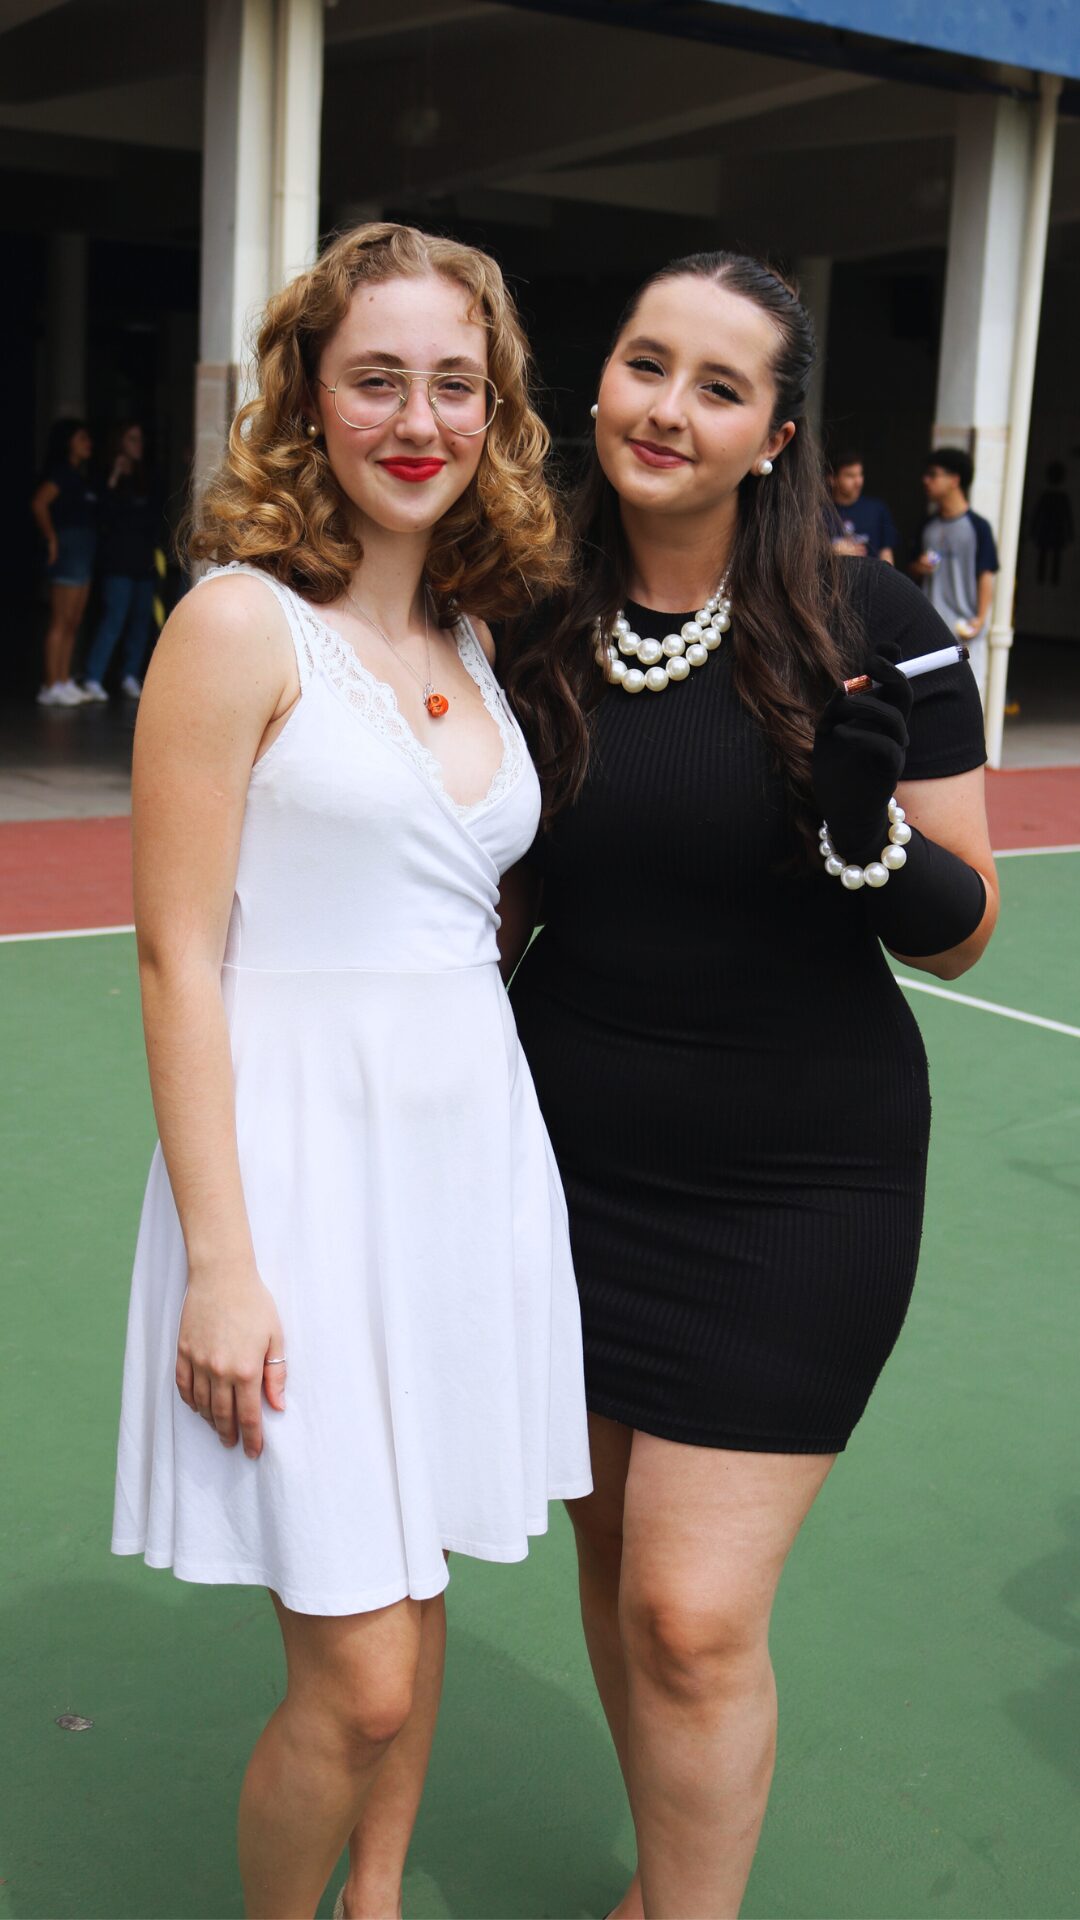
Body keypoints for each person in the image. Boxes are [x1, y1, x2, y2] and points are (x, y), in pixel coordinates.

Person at [501, 251, 998, 1920]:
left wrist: (870, 838)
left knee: (694, 1615)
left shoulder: (877, 626)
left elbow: (965, 935)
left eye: (721, 387)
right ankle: (665, 1878)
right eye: (648, 364)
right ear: (599, 381)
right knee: (612, 1562)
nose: (670, 409)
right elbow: (492, 902)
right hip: (565, 1165)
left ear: (777, 435)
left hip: (800, 1184)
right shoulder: (526, 611)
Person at [111, 221, 591, 1920]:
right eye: (376, 378)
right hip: (294, 1186)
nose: (418, 419)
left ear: (495, 410)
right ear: (308, 399)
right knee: (359, 1678)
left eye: (455, 383)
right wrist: (221, 1265)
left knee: (421, 1573)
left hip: (464, 1178)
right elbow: (176, 957)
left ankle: (374, 1900)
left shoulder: (475, 640)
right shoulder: (237, 625)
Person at [82, 421, 161, 701]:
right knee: (113, 619)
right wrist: (114, 476)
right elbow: (101, 515)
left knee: (141, 622)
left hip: (143, 560)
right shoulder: (106, 475)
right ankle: (93, 677)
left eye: (140, 439)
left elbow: (154, 516)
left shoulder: (146, 476)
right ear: (120, 443)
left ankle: (130, 675)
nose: (138, 445)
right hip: (117, 562)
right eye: (132, 439)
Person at [912, 447, 999, 702]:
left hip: (965, 632)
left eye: (933, 475)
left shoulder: (978, 527)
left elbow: (986, 574)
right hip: (930, 629)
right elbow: (913, 571)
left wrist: (980, 619)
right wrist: (919, 567)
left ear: (954, 480)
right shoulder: (927, 525)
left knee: (967, 700)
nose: (925, 481)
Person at [29, 416, 98, 705]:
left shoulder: (78, 475)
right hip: (69, 549)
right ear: (68, 442)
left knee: (73, 620)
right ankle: (50, 685)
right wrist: (51, 538)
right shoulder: (61, 473)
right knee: (60, 619)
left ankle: (63, 679)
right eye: (82, 438)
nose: (88, 443)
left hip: (83, 549)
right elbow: (39, 503)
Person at [826, 447, 898, 562]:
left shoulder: (877, 509)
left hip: (872, 573)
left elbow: (886, 555)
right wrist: (829, 550)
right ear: (832, 479)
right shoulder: (818, 513)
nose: (858, 482)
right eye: (850, 476)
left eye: (860, 474)